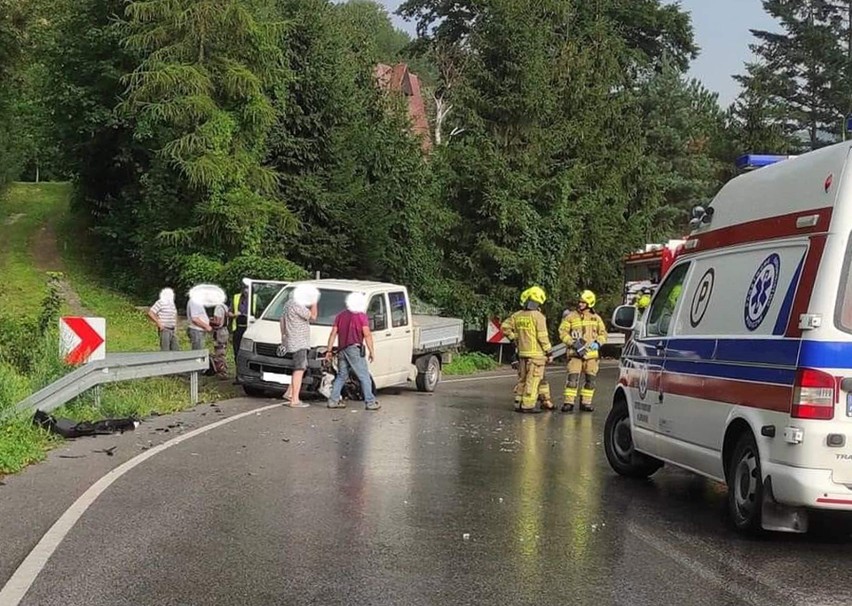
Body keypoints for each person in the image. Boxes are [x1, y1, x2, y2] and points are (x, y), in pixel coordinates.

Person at [501, 286, 554, 414]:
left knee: (523, 379)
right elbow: (542, 337)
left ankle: (518, 402)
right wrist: (549, 352)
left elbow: (504, 327)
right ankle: (528, 405)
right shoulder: (538, 316)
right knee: (533, 380)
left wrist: (516, 338)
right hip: (536, 355)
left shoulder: (517, 315)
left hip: (522, 353)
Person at [325, 292, 380, 411]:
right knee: (364, 376)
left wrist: (329, 350)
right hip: (354, 349)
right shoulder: (361, 316)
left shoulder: (340, 316)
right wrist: (371, 351)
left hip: (341, 349)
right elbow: (367, 334)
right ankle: (370, 402)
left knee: (341, 375)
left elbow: (333, 333)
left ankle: (333, 400)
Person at [559, 290, 608, 413]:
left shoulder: (596, 318)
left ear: (589, 303)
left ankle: (586, 403)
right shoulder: (571, 317)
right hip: (575, 354)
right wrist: (572, 342)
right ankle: (569, 403)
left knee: (590, 381)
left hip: (591, 356)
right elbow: (562, 332)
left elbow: (603, 334)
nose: (580, 304)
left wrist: (598, 343)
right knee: (572, 379)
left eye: (583, 302)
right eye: (579, 302)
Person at [280, 284, 319, 408]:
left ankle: (289, 393)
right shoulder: (297, 305)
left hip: (291, 340)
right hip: (299, 341)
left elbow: (282, 322)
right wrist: (314, 303)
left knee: (301, 366)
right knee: (299, 368)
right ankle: (295, 400)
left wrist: (284, 337)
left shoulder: (287, 305)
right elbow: (313, 317)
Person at [231, 280, 256, 359]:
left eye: (247, 288)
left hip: (250, 328)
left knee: (248, 351)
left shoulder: (255, 298)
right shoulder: (236, 297)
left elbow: (260, 312)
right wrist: (234, 314)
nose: (246, 290)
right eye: (244, 288)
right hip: (238, 328)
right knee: (237, 350)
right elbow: (229, 313)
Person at [210, 300, 230, 376]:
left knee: (219, 353)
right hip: (225, 330)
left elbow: (217, 322)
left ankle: (222, 372)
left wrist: (209, 321)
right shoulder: (224, 307)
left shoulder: (218, 308)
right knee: (223, 352)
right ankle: (224, 369)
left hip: (219, 332)